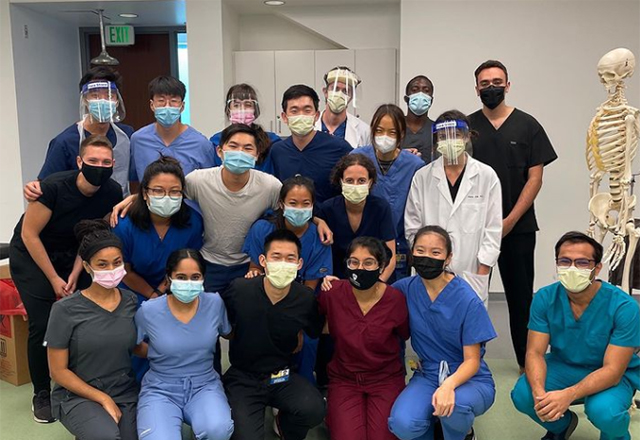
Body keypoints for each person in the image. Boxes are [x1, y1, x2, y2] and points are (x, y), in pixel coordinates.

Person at [9, 135, 123, 423]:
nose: (99, 166)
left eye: (105, 162)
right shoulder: (53, 187)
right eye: (93, 160)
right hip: (32, 255)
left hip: (72, 254)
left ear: (113, 164)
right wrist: (53, 279)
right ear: (79, 161)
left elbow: (89, 237)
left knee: (85, 311)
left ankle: (79, 381)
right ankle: (42, 393)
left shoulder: (110, 191)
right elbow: (29, 235)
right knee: (44, 321)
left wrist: (74, 274)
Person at [468, 60, 557, 370]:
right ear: (476, 87)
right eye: (485, 82)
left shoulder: (527, 125)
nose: (491, 87)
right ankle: (468, 362)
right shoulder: (467, 128)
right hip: (474, 231)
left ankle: (526, 362)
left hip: (517, 229)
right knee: (470, 298)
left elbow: (535, 179)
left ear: (507, 85)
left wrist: (509, 221)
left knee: (521, 300)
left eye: (497, 81)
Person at [511, 231, 640, 440]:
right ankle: (561, 425)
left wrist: (568, 395)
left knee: (605, 412)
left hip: (610, 373)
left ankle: (616, 435)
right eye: (565, 261)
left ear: (597, 268)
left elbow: (613, 370)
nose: (572, 268)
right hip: (565, 366)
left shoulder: (623, 307)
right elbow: (534, 352)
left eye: (582, 262)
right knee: (524, 395)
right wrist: (539, 394)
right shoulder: (545, 298)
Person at [388, 226, 497, 440]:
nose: (426, 257)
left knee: (454, 407)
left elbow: (472, 361)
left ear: (448, 258)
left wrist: (448, 385)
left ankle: (464, 433)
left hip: (469, 377)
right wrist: (337, 285)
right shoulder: (405, 288)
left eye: (435, 252)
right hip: (428, 374)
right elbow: (374, 294)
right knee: (403, 424)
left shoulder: (467, 299)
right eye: (420, 250)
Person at [221, 229, 326, 440]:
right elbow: (224, 325)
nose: (283, 263)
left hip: (281, 375)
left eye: (290, 258)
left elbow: (314, 328)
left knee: (314, 409)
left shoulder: (305, 298)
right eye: (276, 257)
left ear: (299, 264)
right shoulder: (240, 290)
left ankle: (285, 427)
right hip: (243, 376)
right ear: (263, 260)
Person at [44, 220, 139, 439]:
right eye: (102, 264)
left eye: (117, 262)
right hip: (78, 395)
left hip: (124, 391)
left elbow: (137, 346)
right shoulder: (64, 310)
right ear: (87, 266)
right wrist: (102, 398)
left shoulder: (131, 301)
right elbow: (57, 371)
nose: (112, 270)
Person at [404, 110, 502, 306]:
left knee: (469, 329)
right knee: (431, 326)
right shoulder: (423, 177)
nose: (449, 141)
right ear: (436, 141)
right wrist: (426, 261)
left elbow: (493, 228)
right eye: (443, 136)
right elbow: (412, 226)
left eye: (455, 135)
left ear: (466, 137)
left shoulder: (485, 175)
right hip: (430, 270)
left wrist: (482, 270)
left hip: (471, 270)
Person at [135, 249, 234, 440]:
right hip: (160, 388)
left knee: (218, 429)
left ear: (203, 278)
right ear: (168, 279)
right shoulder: (149, 310)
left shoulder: (214, 303)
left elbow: (227, 333)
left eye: (195, 277)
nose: (188, 283)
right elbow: (135, 345)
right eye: (181, 277)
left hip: (204, 385)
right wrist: (160, 355)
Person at [243, 175, 332, 385]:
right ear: (281, 204)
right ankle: (257, 386)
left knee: (307, 342)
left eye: (306, 204)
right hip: (266, 301)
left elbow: (309, 291)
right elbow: (255, 267)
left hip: (300, 305)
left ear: (313, 207)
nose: (299, 208)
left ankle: (301, 388)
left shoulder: (319, 238)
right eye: (293, 203)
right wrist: (253, 275)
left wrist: (297, 328)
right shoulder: (262, 229)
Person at [318, 237, 409, 440]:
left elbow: (404, 333)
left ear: (382, 266)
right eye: (353, 262)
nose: (360, 268)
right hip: (345, 379)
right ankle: (333, 414)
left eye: (368, 262)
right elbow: (318, 322)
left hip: (385, 379)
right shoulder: (332, 293)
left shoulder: (395, 299)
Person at [24, 67, 133, 200]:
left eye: (109, 95)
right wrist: (33, 190)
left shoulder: (127, 135)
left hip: (119, 211)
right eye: (95, 96)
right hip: (79, 214)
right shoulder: (65, 142)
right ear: (85, 99)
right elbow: (45, 186)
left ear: (117, 100)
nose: (103, 101)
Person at [113, 156, 203, 306]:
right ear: (144, 193)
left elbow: (187, 265)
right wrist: (152, 296)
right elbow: (124, 271)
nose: (166, 197)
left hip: (175, 288)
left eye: (174, 191)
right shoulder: (124, 225)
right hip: (132, 291)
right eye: (158, 191)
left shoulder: (192, 222)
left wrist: (161, 293)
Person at [351, 104, 425, 280]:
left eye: (392, 132)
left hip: (399, 249)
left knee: (395, 300)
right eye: (379, 130)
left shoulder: (414, 166)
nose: (385, 137)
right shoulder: (357, 159)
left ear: (401, 135)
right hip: (363, 246)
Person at [129, 75, 216, 193]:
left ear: (182, 106)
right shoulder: (138, 140)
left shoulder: (201, 144)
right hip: (149, 208)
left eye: (174, 101)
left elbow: (208, 186)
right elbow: (135, 181)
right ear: (152, 105)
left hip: (187, 209)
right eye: (161, 100)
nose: (167, 106)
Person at [318, 154, 397, 281]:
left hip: (376, 280)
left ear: (370, 182)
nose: (355, 185)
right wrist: (319, 221)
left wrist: (378, 284)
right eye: (349, 181)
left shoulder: (380, 208)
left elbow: (391, 257)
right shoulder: (328, 209)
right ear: (341, 181)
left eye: (361, 181)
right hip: (339, 281)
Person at [270, 84, 353, 203]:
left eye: (307, 110)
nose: (301, 115)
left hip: (328, 220)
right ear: (284, 117)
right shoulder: (277, 151)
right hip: (290, 218)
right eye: (294, 111)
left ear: (316, 115)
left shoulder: (339, 147)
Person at [210, 83, 281, 173]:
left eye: (248, 105)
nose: (242, 109)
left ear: (255, 109)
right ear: (228, 109)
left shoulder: (272, 141)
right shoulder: (216, 141)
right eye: (236, 105)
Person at [314, 66, 370, 148]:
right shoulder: (310, 125)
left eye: (345, 91)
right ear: (325, 92)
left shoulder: (364, 131)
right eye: (335, 89)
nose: (340, 94)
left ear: (351, 97)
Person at [401, 75, 435, 162]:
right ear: (406, 98)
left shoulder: (436, 130)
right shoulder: (396, 127)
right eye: (415, 90)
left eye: (426, 91)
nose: (420, 94)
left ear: (431, 100)